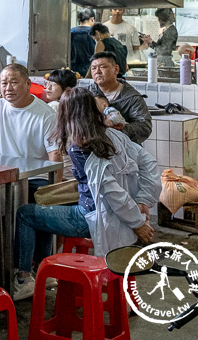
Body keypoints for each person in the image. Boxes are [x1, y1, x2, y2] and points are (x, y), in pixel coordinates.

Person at [12, 88, 158, 301]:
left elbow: (110, 191)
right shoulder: (114, 135)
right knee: (41, 211)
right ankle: (42, 274)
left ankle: (24, 279)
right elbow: (149, 163)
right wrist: (143, 199)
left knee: (26, 214)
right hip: (117, 215)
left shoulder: (80, 148)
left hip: (90, 217)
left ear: (65, 114)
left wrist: (137, 222)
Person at [0, 64, 60, 165]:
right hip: (3, 174)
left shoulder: (46, 114)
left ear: (28, 83)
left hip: (35, 176)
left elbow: (55, 153)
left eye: (14, 83)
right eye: (4, 83)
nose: (8, 88)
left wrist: (55, 181)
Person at [88, 52, 152, 144]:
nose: (97, 71)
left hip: (124, 149)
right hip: (93, 147)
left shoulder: (132, 97)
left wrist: (120, 128)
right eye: (93, 68)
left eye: (103, 67)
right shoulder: (86, 94)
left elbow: (144, 126)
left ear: (116, 69)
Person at [70, 8, 97, 77]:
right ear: (92, 19)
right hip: (90, 70)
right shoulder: (94, 33)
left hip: (72, 70)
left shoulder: (71, 32)